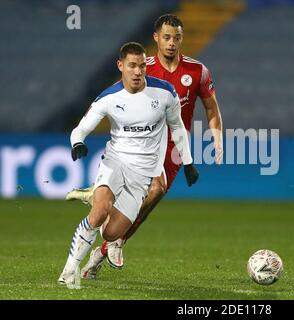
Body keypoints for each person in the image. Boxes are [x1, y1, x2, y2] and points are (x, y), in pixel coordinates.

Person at [67, 14, 223, 278]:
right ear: (156, 39)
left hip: (174, 147)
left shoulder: (198, 71)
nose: (172, 43)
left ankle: (109, 244)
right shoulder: (143, 68)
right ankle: (110, 230)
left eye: (177, 38)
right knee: (156, 187)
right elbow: (115, 96)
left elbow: (212, 108)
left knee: (151, 198)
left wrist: (217, 136)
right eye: (166, 38)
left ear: (182, 39)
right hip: (146, 143)